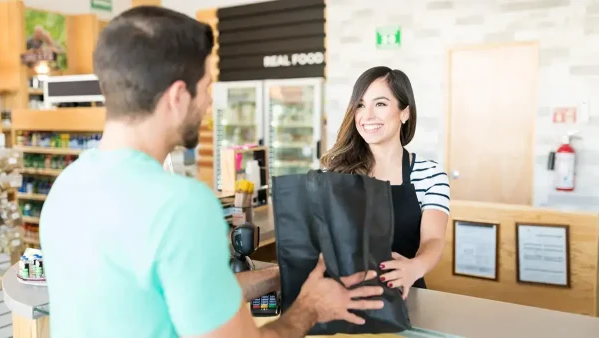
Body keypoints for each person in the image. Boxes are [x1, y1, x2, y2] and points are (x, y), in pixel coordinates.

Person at [39, 6, 384, 338]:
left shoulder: (68, 185)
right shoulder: (181, 205)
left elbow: (180, 292)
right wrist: (310, 308)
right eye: (205, 88)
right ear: (177, 96)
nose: (208, 104)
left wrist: (280, 276)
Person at [320, 66, 450, 299]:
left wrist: (415, 267)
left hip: (404, 297)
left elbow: (434, 239)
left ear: (404, 113)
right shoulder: (335, 173)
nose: (367, 115)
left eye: (380, 104)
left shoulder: (429, 174)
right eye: (360, 105)